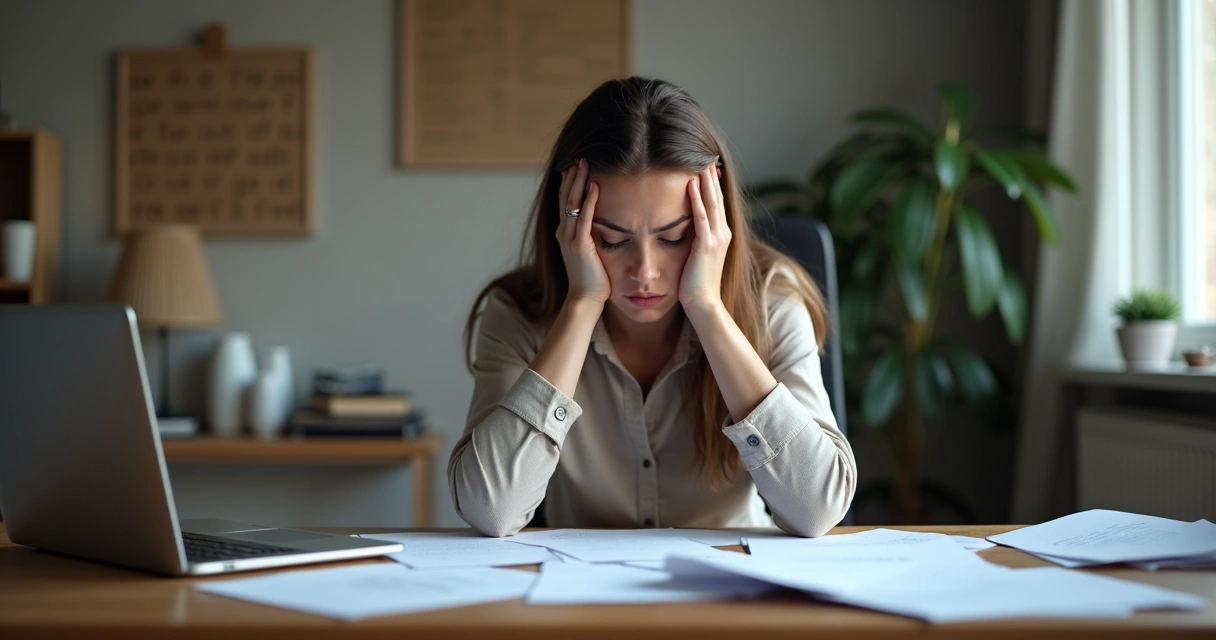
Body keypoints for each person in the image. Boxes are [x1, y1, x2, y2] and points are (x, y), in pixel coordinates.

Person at [449, 77, 856, 538]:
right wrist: (581, 304)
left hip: (734, 575)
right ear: (569, 221)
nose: (644, 271)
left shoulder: (773, 303)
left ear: (713, 216)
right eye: (611, 239)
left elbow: (818, 510)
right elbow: (491, 511)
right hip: (582, 579)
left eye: (674, 237)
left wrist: (707, 308)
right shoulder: (517, 315)